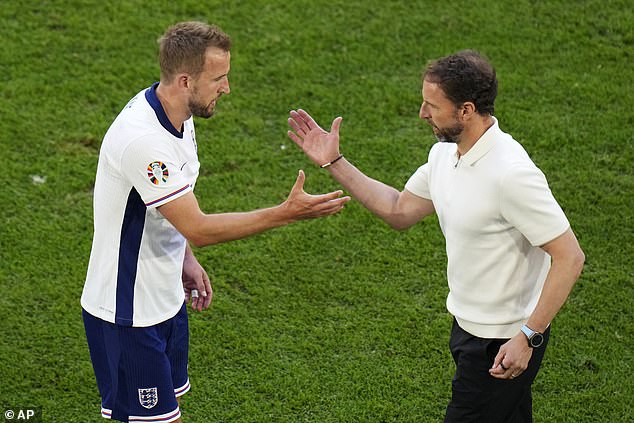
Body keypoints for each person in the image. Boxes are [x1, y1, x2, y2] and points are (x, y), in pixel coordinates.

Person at [287, 50, 585, 422]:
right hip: (467, 328)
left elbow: (570, 256)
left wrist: (528, 336)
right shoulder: (445, 154)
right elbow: (399, 210)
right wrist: (335, 161)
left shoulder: (511, 174)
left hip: (503, 341)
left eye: (432, 105)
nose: (422, 114)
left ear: (466, 110)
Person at [81, 21, 349, 423]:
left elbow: (171, 206)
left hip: (164, 298)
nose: (227, 88)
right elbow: (200, 228)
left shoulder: (178, 115)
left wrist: (184, 259)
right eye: (219, 78)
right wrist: (285, 213)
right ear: (186, 80)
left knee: (169, 408)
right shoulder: (144, 142)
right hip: (127, 314)